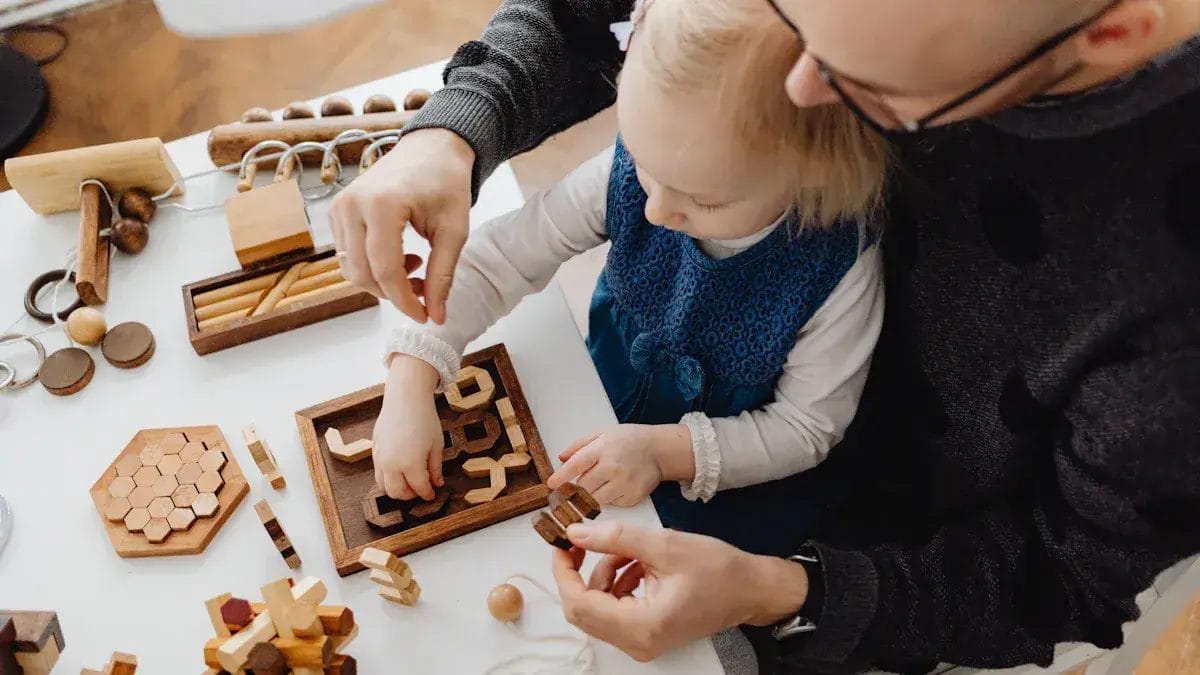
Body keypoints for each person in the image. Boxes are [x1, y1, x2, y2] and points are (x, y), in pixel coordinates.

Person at [329, 0, 1200, 672]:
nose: (801, 87)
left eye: (868, 88)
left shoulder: (1164, 318)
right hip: (624, 438)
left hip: (857, 561)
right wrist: (452, 131)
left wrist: (777, 589)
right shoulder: (675, 153)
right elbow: (584, 25)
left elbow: (1057, 574)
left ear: (1113, 34)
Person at [370, 0, 888, 559]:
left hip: (728, 492)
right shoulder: (650, 170)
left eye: (703, 200)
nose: (656, 210)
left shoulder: (838, 267)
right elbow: (498, 259)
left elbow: (805, 428)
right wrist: (412, 377)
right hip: (596, 407)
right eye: (642, 160)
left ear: (813, 173)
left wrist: (666, 453)